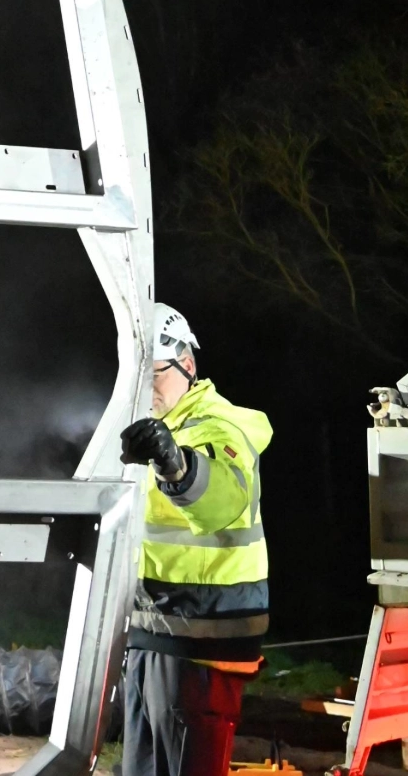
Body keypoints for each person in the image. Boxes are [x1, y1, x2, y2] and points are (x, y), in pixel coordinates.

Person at [118, 303, 271, 776]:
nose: (144, 387)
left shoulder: (220, 424)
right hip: (154, 631)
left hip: (204, 640)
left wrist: (176, 466)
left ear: (187, 363)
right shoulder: (151, 427)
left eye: (154, 373)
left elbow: (222, 496)